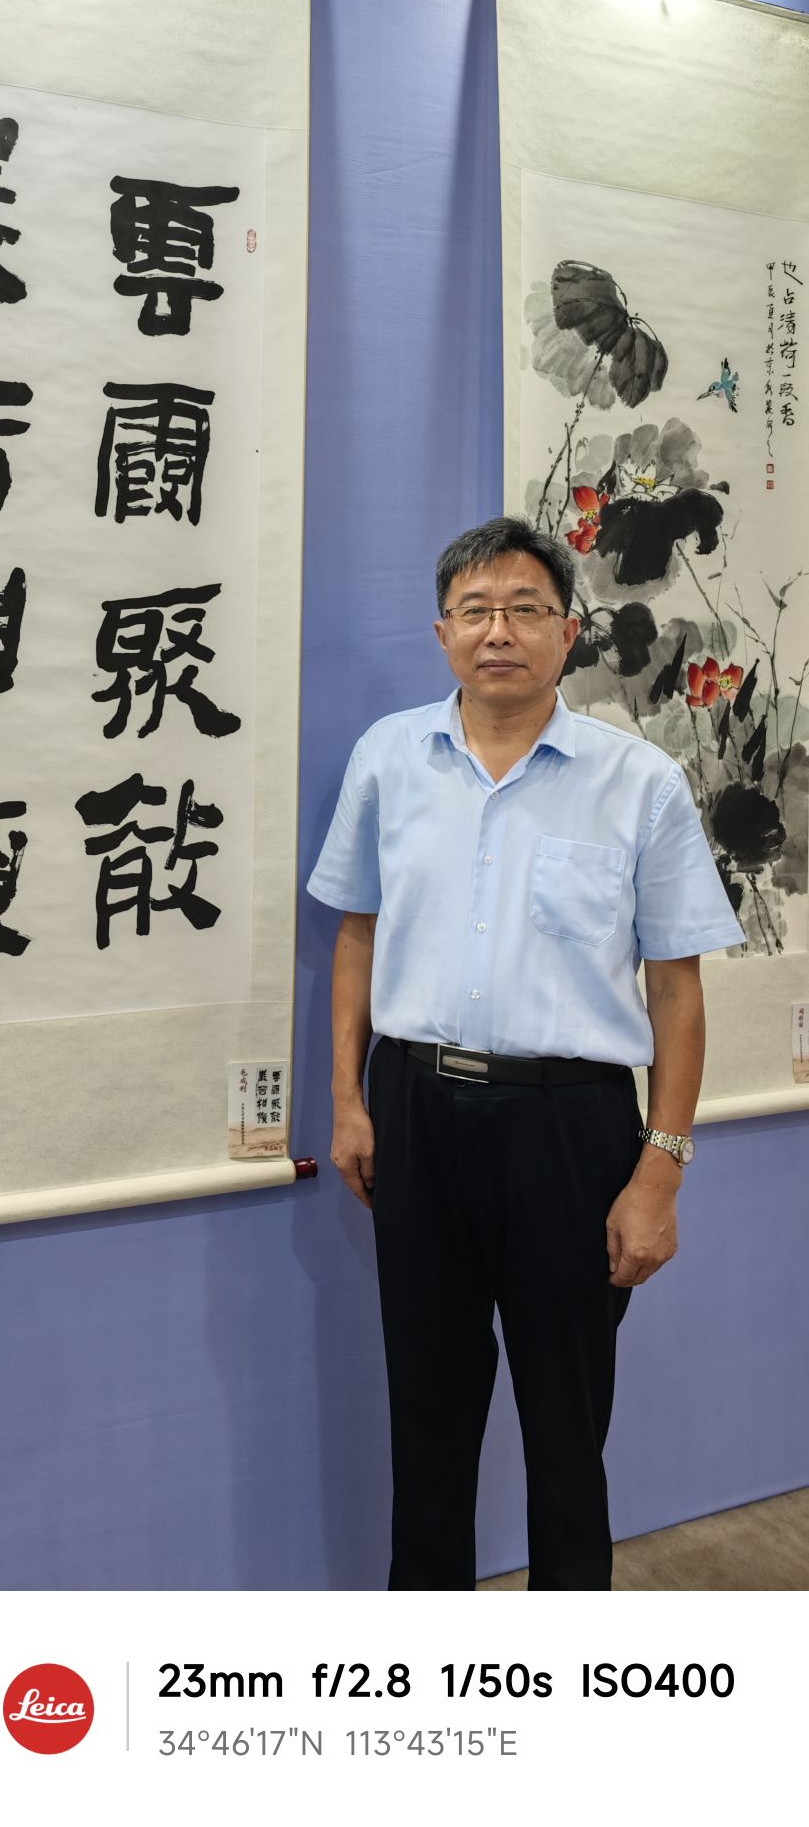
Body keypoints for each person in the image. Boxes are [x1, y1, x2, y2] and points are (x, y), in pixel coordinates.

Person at [308, 515, 743, 1591]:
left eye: (524, 609)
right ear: (442, 631)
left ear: (568, 631)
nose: (497, 631)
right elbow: (356, 935)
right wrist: (349, 1102)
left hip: (570, 1128)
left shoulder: (638, 782)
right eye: (475, 610)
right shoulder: (389, 759)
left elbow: (675, 989)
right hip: (414, 1109)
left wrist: (661, 1167)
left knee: (566, 1432)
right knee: (427, 1419)